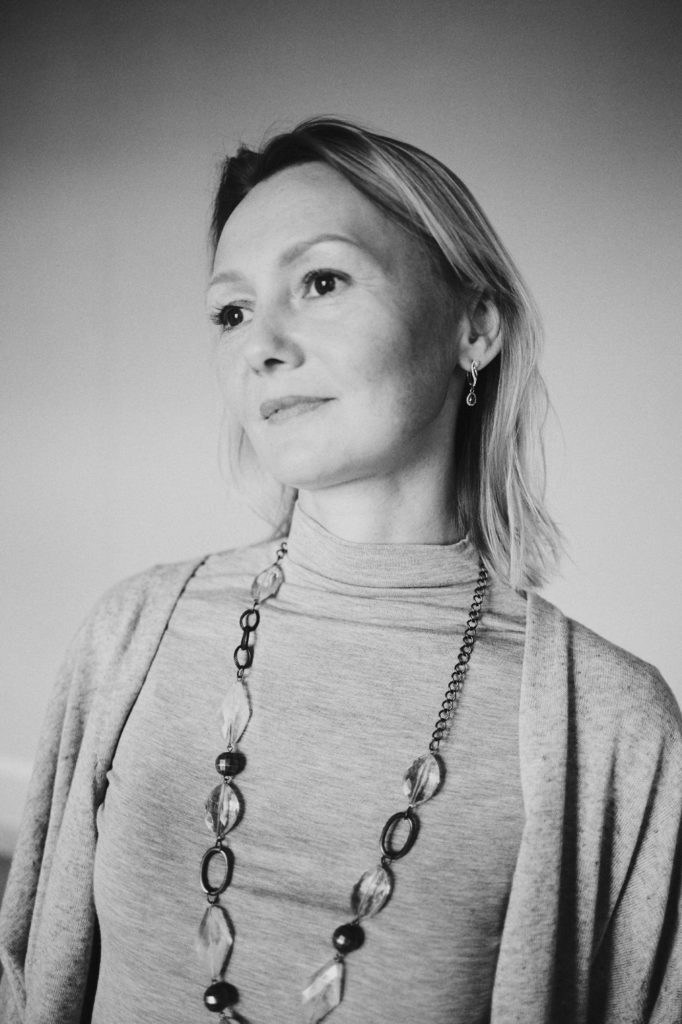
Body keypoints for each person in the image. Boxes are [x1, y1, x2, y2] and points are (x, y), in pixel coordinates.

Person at [0, 117, 680, 1024]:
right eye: (231, 312)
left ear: (475, 327)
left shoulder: (612, 726)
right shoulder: (130, 634)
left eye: (321, 281)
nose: (261, 345)